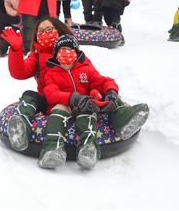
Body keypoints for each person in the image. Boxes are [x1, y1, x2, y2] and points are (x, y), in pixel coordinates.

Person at [40, 34, 150, 169]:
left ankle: (90, 147)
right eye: (62, 49)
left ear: (76, 52)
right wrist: (75, 98)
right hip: (67, 104)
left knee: (94, 104)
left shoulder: (85, 68)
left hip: (84, 105)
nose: (66, 53)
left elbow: (103, 80)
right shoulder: (51, 73)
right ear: (56, 54)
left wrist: (111, 92)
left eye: (70, 49)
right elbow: (51, 93)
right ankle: (52, 149)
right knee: (59, 107)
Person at [0, 17, 75, 152]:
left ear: (59, 31)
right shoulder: (36, 56)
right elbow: (19, 73)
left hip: (71, 100)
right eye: (40, 31)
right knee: (29, 95)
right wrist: (16, 49)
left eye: (49, 29)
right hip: (48, 99)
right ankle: (20, 125)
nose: (45, 34)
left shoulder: (72, 53)